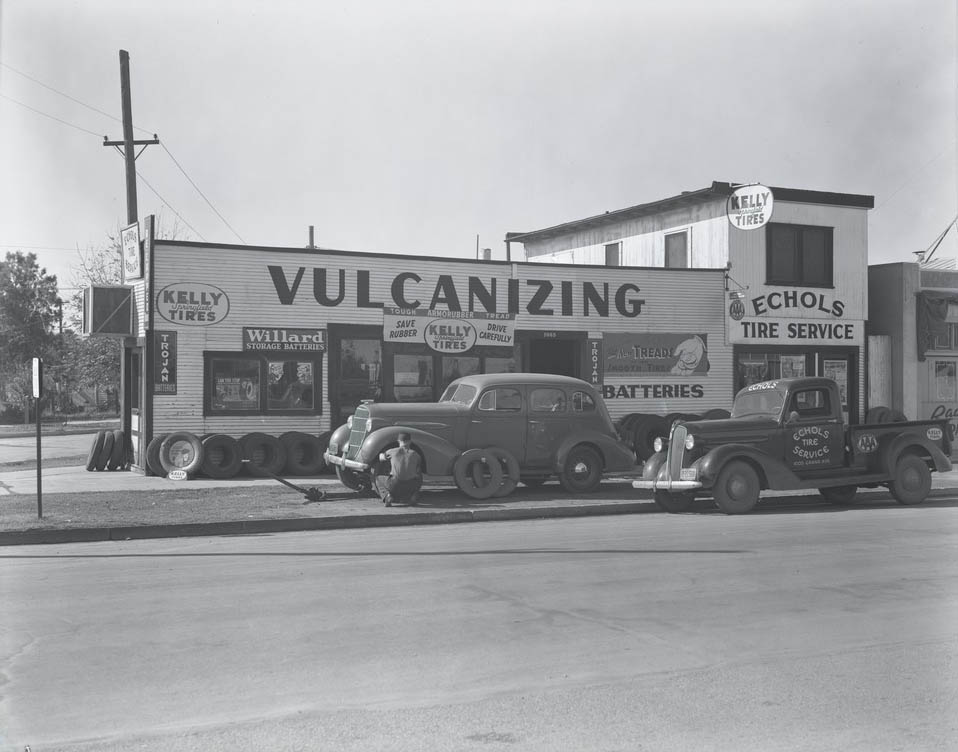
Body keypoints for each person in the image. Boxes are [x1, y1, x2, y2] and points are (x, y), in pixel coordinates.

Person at [374, 432, 423, 507]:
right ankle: (413, 495)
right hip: (411, 485)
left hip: (394, 484)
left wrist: (384, 456)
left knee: (378, 478)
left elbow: (380, 458)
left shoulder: (392, 451)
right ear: (410, 441)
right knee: (419, 476)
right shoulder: (416, 454)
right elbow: (418, 469)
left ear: (399, 441)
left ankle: (387, 496)